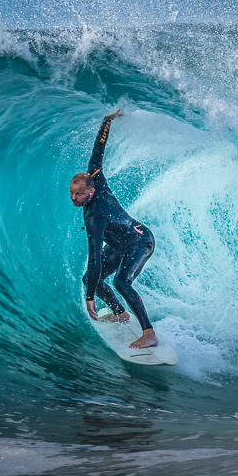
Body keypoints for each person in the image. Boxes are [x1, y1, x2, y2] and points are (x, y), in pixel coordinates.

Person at [71, 109, 158, 349]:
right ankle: (121, 313)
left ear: (91, 191)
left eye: (80, 194)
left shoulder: (95, 218)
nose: (75, 198)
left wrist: (90, 297)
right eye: (72, 193)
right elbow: (98, 150)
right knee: (90, 279)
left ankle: (149, 333)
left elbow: (95, 258)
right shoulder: (94, 175)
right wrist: (106, 121)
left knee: (121, 282)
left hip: (140, 241)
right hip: (121, 244)